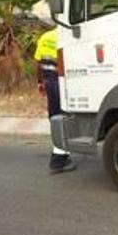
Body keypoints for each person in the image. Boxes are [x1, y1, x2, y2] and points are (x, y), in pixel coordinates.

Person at [34, 27, 75, 173]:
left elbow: (38, 63)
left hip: (49, 81)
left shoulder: (45, 36)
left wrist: (40, 82)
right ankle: (59, 159)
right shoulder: (66, 37)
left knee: (54, 116)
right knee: (62, 118)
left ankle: (61, 153)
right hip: (61, 81)